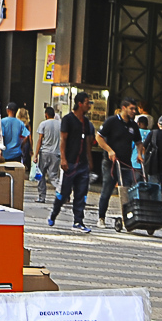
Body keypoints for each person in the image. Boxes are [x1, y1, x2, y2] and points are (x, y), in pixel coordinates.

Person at [49, 92, 93, 231]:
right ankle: (54, 214)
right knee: (64, 193)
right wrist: (63, 159)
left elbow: (87, 142)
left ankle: (78, 221)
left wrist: (89, 160)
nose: (89, 105)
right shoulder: (68, 119)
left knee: (81, 193)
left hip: (82, 164)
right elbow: (63, 140)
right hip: (70, 162)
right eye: (87, 102)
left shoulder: (86, 122)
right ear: (80, 104)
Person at [96, 97, 141, 228]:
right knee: (107, 189)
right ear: (124, 108)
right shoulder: (112, 121)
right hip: (110, 162)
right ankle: (101, 217)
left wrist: (139, 153)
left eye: (135, 109)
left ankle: (127, 217)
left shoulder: (133, 125)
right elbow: (99, 137)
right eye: (131, 108)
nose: (134, 111)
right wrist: (110, 151)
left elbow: (138, 142)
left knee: (127, 190)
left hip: (125, 163)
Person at [34, 104, 60, 204]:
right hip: (56, 153)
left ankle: (42, 197)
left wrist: (35, 155)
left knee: (41, 175)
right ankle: (62, 192)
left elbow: (40, 139)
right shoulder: (60, 124)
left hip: (44, 152)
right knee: (53, 176)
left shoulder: (43, 124)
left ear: (46, 114)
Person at [1, 102, 30, 167]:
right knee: (16, 173)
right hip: (17, 153)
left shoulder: (2, 121)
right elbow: (26, 136)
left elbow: (1, 136)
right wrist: (21, 144)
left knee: (6, 174)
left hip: (5, 153)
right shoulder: (20, 123)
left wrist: (0, 150)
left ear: (7, 110)